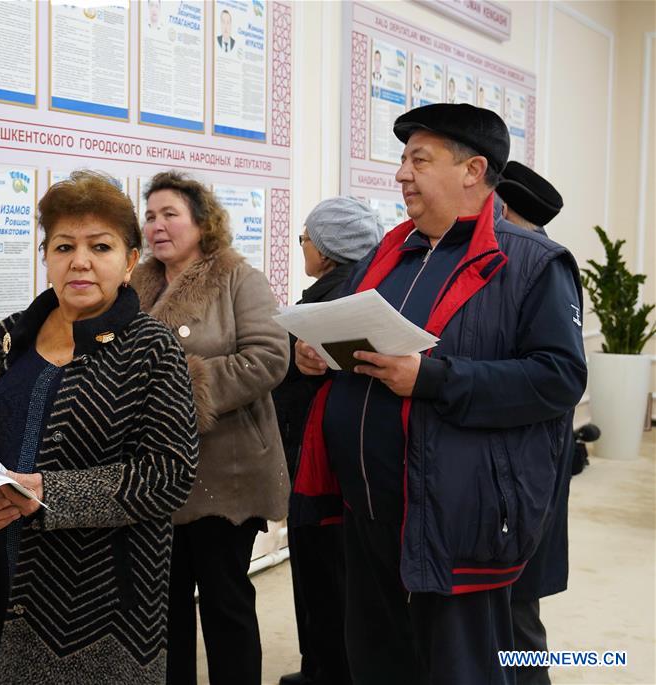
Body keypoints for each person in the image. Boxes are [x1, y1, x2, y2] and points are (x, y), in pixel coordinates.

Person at [293, 103, 587, 684]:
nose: (401, 173)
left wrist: (431, 378)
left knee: (462, 669)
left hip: (455, 518)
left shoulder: (532, 263)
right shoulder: (387, 256)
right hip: (369, 513)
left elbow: (559, 378)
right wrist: (317, 356)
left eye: (418, 159)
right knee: (377, 663)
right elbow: (354, 341)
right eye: (403, 159)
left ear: (473, 170)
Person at [0, 171, 199, 684]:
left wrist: (51, 494)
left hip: (99, 611)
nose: (79, 261)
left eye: (99, 246)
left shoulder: (152, 349)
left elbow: (170, 473)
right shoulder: (9, 337)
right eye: (63, 246)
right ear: (46, 257)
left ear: (128, 261)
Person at [133, 171, 289, 685]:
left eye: (169, 214)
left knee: (225, 601)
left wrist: (180, 386)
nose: (157, 226)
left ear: (201, 222)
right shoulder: (138, 282)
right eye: (151, 215)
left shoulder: (236, 277)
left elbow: (269, 358)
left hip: (227, 471)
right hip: (156, 476)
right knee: (163, 607)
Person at [274, 197, 384, 685]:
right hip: (359, 466)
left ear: (327, 248)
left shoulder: (322, 306)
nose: (303, 247)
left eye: (305, 238)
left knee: (320, 574)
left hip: (320, 465)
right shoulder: (376, 294)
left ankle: (323, 670)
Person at [497, 161, 568, 685]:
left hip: (522, 468)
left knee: (518, 614)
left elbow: (555, 377)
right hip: (510, 469)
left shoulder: (539, 267)